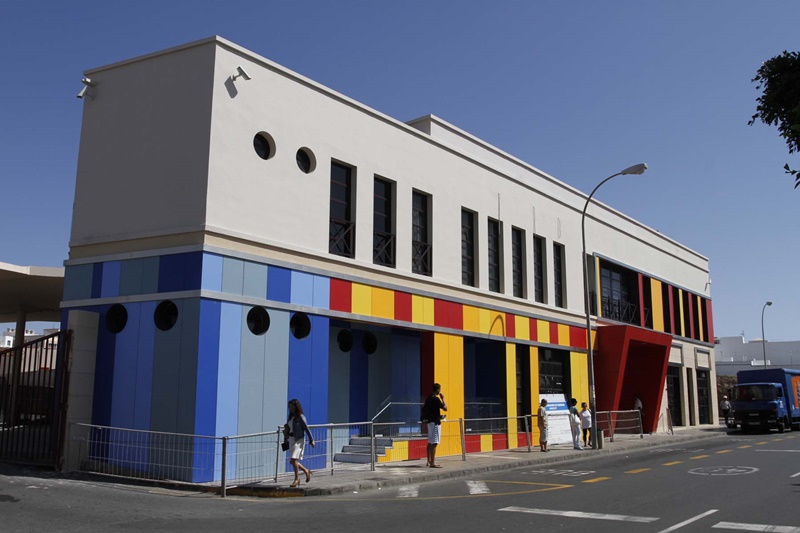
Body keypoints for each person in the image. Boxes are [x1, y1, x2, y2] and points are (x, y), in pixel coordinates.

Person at [285, 398, 315, 488]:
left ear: (296, 407)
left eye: (292, 406)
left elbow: (306, 428)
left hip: (298, 439)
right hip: (291, 439)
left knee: (293, 459)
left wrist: (311, 440)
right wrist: (285, 438)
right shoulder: (290, 417)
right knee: (292, 461)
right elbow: (288, 427)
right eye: (289, 407)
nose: (290, 408)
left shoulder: (301, 417)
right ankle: (306, 471)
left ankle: (296, 478)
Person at [421, 383, 447, 468]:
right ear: (438, 390)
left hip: (429, 422)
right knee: (434, 442)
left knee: (430, 441)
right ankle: (432, 463)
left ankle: (428, 461)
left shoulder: (428, 398)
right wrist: (443, 399)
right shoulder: (436, 399)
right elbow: (445, 408)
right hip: (435, 423)